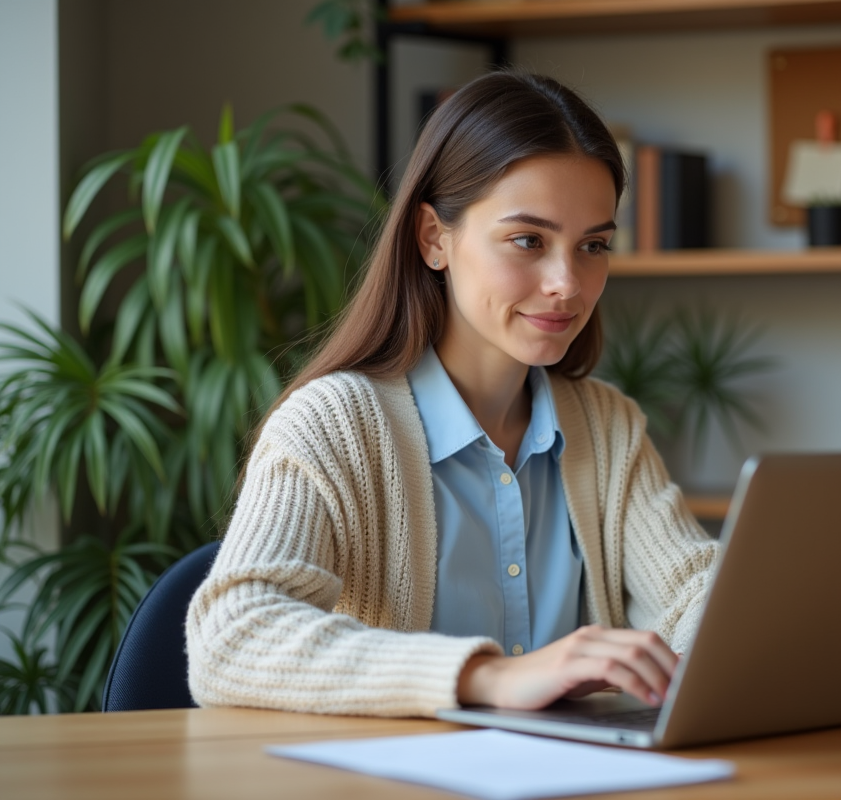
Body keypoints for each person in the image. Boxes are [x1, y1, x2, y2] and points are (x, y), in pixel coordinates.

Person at [185, 71, 719, 718]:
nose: (567, 283)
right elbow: (231, 639)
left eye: (593, 246)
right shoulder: (331, 425)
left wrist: (710, 655)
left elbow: (697, 593)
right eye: (529, 240)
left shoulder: (607, 427)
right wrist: (488, 677)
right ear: (435, 239)